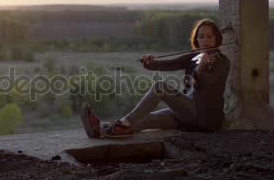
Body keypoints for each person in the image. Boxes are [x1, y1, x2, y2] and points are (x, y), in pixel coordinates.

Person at [81, 18, 230, 138]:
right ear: (196, 40)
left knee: (160, 87)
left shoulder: (223, 62)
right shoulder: (194, 57)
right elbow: (168, 64)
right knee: (143, 119)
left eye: (210, 36)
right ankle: (99, 129)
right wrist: (150, 63)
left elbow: (205, 85)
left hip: (202, 117)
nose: (205, 40)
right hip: (185, 116)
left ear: (217, 38)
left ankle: (124, 123)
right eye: (201, 36)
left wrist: (201, 69)